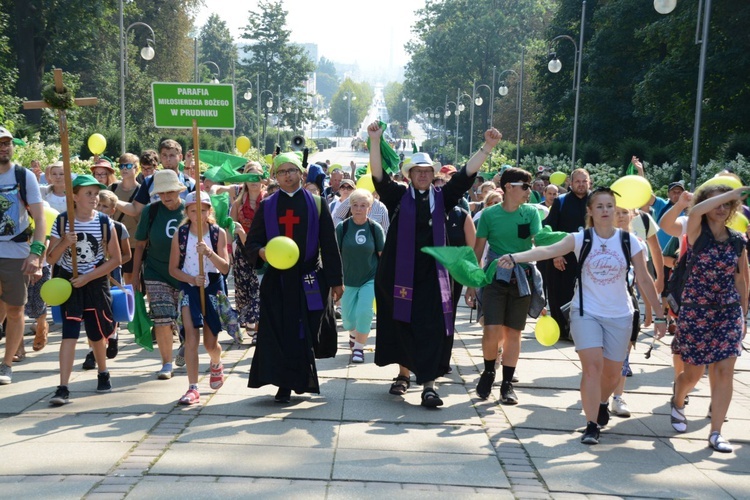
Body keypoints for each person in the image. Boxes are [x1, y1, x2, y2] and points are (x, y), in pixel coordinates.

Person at [497, 187, 666, 445]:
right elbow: (545, 251)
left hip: (620, 315)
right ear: (590, 211)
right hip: (586, 313)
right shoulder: (581, 238)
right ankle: (591, 425)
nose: (606, 211)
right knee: (592, 368)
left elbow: (644, 278)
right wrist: (514, 256)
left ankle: (601, 403)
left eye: (609, 206)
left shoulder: (628, 241)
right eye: (599, 206)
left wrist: (660, 314)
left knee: (611, 374)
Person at [367, 120, 502, 408]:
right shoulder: (399, 197)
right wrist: (375, 141)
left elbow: (466, 174)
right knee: (402, 322)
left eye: (428, 171)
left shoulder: (445, 198)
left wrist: (488, 147)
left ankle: (429, 385)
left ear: (432, 174)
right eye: (418, 171)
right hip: (399, 275)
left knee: (432, 327)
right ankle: (403, 374)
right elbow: (378, 176)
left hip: (435, 276)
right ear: (410, 175)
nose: (423, 175)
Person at [242, 152, 343, 403]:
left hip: (310, 277)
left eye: (292, 170)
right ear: (275, 176)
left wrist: (336, 280)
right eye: (282, 172)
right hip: (278, 280)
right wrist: (263, 251)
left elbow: (329, 243)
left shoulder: (317, 204)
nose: (287, 176)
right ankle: (284, 383)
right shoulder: (268, 205)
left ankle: (300, 379)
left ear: (301, 173)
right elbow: (252, 242)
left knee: (305, 329)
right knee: (280, 330)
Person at [670, 185, 748, 453]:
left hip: (727, 312)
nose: (722, 208)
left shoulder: (738, 240)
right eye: (716, 203)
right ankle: (678, 400)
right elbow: (696, 210)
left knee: (725, 371)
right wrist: (728, 194)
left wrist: (743, 315)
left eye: (727, 204)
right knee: (692, 374)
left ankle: (716, 432)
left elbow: (740, 279)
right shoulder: (696, 231)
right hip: (696, 311)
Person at [467, 168, 542, 405]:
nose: (529, 191)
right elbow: (478, 250)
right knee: (491, 329)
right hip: (494, 279)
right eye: (525, 186)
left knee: (514, 332)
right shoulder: (489, 215)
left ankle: (507, 384)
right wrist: (471, 283)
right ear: (509, 187)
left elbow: (539, 243)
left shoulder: (531, 213)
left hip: (521, 279)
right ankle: (489, 373)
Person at [47, 175, 121, 404]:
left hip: (95, 281)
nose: (94, 197)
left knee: (96, 333)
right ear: (74, 196)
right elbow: (50, 259)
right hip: (70, 281)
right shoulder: (61, 222)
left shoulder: (104, 223)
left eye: (96, 193)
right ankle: (63, 387)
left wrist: (89, 276)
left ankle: (103, 372)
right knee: (69, 332)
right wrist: (64, 243)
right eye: (88, 193)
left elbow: (115, 259)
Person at [169, 191, 232, 405]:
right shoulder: (181, 234)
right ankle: (193, 387)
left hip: (212, 287)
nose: (198, 214)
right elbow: (173, 269)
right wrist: (190, 279)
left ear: (209, 211)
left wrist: (208, 253)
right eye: (194, 210)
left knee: (210, 343)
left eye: (203, 210)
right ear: (187, 211)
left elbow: (224, 268)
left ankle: (216, 363)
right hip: (190, 288)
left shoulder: (217, 233)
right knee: (191, 339)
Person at [0, 127, 45, 385]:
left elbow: (39, 218)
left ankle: (6, 365)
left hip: (16, 252)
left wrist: (36, 254)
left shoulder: (22, 175)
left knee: (16, 309)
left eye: (7, 143)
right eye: (0, 144)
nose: (4, 147)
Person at [131, 170, 186, 379]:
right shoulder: (150, 212)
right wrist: (135, 275)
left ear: (178, 190)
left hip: (184, 273)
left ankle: (185, 345)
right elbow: (140, 244)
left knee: (186, 320)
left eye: (170, 192)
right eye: (161, 193)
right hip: (156, 272)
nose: (166, 197)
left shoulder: (189, 210)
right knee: (162, 318)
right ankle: (166, 363)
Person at [335, 188, 385, 364]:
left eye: (363, 205)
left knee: (364, 311)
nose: (359, 209)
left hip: (369, 278)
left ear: (369, 208)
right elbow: (335, 254)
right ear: (350, 207)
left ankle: (359, 349)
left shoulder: (374, 228)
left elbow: (382, 255)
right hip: (347, 279)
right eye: (355, 205)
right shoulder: (343, 227)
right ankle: (353, 334)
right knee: (348, 319)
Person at [545, 168, 591, 341]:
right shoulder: (561, 202)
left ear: (589, 182)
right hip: (563, 258)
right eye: (577, 181)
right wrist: (556, 254)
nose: (581, 185)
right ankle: (562, 330)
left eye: (584, 181)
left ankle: (584, 331)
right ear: (570, 184)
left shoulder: (596, 202)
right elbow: (549, 230)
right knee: (559, 294)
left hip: (589, 258)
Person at [229, 162, 265, 344]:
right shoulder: (238, 204)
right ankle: (250, 324)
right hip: (243, 255)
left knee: (259, 291)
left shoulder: (268, 201)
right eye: (249, 177)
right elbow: (231, 228)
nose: (253, 181)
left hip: (262, 253)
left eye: (257, 177)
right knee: (243, 293)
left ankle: (258, 329)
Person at [116, 140, 195, 218]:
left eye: (172, 155)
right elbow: (135, 210)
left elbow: (198, 211)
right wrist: (114, 201)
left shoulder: (190, 183)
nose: (168, 159)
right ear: (160, 157)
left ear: (180, 157)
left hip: (182, 229)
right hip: (157, 229)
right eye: (164, 155)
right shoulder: (149, 182)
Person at [109, 153, 141, 285]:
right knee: (112, 278)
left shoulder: (141, 190)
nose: (124, 169)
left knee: (131, 278)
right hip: (114, 240)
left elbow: (135, 211)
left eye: (128, 165)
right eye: (121, 166)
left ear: (136, 169)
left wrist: (114, 201)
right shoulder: (113, 188)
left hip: (134, 241)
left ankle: (131, 305)